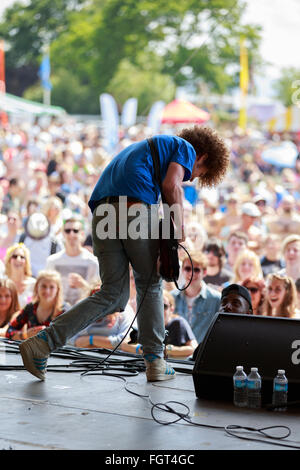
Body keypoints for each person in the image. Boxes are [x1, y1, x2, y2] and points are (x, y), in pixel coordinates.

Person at [18, 125, 230, 382]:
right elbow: (171, 185)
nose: (191, 178)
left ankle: (43, 343)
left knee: (113, 294)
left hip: (102, 215)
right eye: (197, 173)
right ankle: (155, 362)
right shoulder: (184, 147)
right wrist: (178, 227)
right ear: (203, 156)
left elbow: (160, 186)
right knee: (150, 284)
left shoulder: (140, 151)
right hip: (135, 211)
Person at [45, 216, 99, 306]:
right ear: (63, 234)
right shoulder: (52, 261)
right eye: (67, 231)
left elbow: (98, 293)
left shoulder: (93, 262)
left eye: (75, 231)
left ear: (82, 234)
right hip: (58, 311)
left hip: (85, 311)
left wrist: (83, 285)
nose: (71, 234)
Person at [172, 251, 221, 346]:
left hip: (203, 356)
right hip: (177, 356)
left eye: (197, 270)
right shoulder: (171, 297)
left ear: (205, 272)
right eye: (188, 268)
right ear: (182, 270)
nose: (192, 273)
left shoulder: (216, 299)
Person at [6, 270, 68, 340]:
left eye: (52, 287)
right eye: (43, 286)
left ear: (58, 290)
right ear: (36, 287)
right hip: (31, 350)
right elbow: (9, 331)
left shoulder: (64, 311)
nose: (47, 290)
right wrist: (25, 335)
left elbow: (68, 339)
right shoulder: (30, 307)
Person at [4, 243, 36, 308]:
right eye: (15, 256)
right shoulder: (3, 283)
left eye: (22, 257)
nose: (18, 259)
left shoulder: (34, 284)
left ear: (26, 262)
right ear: (9, 260)